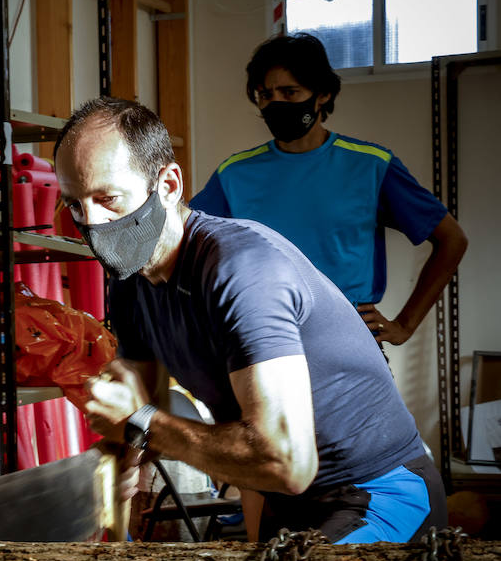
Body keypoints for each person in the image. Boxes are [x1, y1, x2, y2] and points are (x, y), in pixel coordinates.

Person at [55, 96, 447, 544]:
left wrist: (140, 423)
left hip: (377, 491)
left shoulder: (240, 270)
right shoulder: (132, 281)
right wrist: (113, 500)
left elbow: (286, 462)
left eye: (107, 198)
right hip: (280, 497)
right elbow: (139, 411)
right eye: (75, 204)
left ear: (167, 184)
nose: (92, 223)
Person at [191, 33, 467, 347]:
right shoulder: (234, 174)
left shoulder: (371, 165)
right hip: (263, 342)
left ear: (322, 94)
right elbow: (186, 244)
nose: (275, 103)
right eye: (265, 95)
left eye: (289, 92)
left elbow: (452, 239)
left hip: (350, 343)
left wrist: (405, 324)